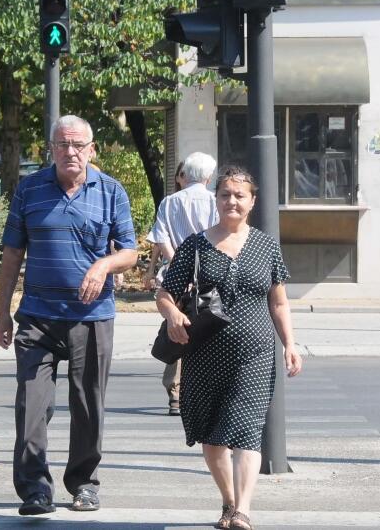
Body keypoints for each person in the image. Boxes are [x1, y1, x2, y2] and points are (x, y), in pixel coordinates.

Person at [0, 115, 137, 516]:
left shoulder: (111, 191)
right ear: (50, 149)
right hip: (37, 317)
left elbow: (130, 250)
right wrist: (2, 313)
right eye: (62, 145)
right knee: (32, 407)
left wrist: (103, 266)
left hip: (91, 318)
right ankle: (35, 489)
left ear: (92, 149)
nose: (70, 152)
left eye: (78, 145)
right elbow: (11, 255)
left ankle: (84, 484)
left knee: (88, 404)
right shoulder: (29, 189)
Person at [155, 165, 302, 530]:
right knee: (213, 438)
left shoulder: (266, 245)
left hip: (255, 353)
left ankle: (243, 512)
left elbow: (279, 302)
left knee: (246, 429)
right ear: (216, 199)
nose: (231, 201)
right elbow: (164, 293)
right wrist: (172, 314)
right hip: (204, 354)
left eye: (240, 195)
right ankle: (228, 500)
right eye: (225, 195)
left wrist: (290, 344)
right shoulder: (196, 245)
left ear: (252, 201)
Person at [145, 153, 219, 417]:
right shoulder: (214, 202)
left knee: (176, 330)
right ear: (209, 176)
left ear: (185, 174)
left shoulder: (170, 202)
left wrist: (178, 267)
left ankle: (175, 393)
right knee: (209, 332)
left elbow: (161, 237)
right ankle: (205, 391)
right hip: (208, 279)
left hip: (175, 280)